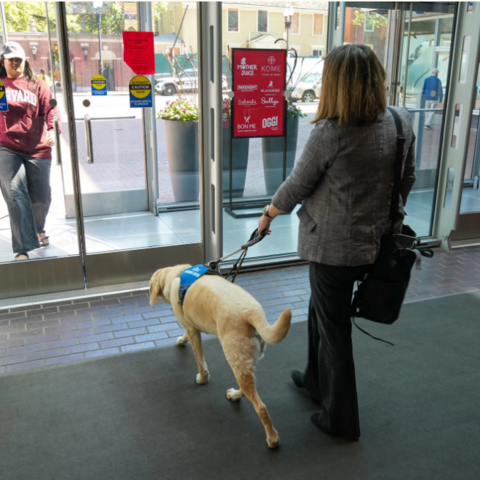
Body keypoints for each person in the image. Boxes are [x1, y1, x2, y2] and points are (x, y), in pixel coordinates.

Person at [258, 44, 416, 441]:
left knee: (335, 330)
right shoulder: (400, 122)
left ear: (334, 84)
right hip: (378, 244)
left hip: (332, 251)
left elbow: (297, 185)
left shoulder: (330, 133)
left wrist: (268, 214)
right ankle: (315, 380)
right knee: (322, 311)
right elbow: (407, 179)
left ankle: (342, 420)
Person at [0, 41, 60, 261]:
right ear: (3, 61)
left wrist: (52, 129)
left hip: (38, 147)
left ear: (24, 61)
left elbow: (51, 106)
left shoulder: (37, 85)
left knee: (41, 196)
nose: (15, 63)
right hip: (6, 145)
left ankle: (38, 228)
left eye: (18, 59)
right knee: (15, 193)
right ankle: (22, 247)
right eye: (10, 59)